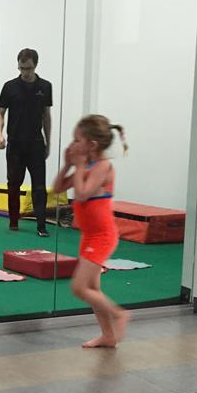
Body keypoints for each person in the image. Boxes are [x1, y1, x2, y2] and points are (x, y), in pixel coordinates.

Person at [53, 114, 130, 348]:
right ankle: (108, 335)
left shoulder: (103, 166)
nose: (73, 145)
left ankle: (119, 314)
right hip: (89, 235)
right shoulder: (85, 166)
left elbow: (83, 193)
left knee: (79, 287)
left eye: (77, 140)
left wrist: (77, 167)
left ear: (92, 145)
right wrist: (68, 165)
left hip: (102, 236)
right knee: (93, 288)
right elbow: (57, 188)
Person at [0, 48, 52, 237]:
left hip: (36, 143)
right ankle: (13, 222)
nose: (25, 72)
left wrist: (48, 142)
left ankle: (41, 226)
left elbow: (46, 116)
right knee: (14, 183)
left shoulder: (45, 87)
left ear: (35, 66)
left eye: (28, 68)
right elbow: (0, 113)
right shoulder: (10, 87)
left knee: (39, 187)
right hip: (15, 143)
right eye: (21, 68)